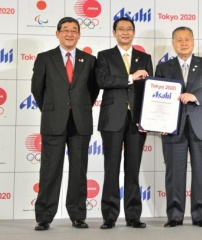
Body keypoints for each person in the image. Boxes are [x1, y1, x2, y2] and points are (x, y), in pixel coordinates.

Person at [31, 17, 99, 231]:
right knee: (50, 170)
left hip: (80, 122)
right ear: (57, 33)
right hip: (54, 121)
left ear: (79, 34)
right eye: (66, 30)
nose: (70, 34)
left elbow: (93, 90)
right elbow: (37, 89)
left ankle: (78, 215)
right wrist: (53, 109)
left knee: (79, 171)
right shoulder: (45, 58)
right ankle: (44, 217)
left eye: (74, 30)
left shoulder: (89, 60)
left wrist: (78, 106)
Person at [155, 26, 202, 228]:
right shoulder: (164, 67)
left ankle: (200, 215)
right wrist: (159, 122)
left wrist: (195, 96)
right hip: (173, 127)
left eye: (187, 39)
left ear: (193, 41)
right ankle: (175, 216)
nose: (183, 43)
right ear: (173, 43)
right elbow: (157, 97)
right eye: (179, 39)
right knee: (174, 173)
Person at [96, 17, 153, 229]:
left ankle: (133, 215)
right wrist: (130, 77)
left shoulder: (144, 57)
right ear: (114, 33)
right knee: (111, 168)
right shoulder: (104, 56)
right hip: (112, 118)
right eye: (121, 29)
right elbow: (102, 81)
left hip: (137, 120)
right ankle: (109, 216)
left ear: (134, 32)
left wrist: (151, 118)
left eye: (129, 29)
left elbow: (150, 90)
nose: (125, 32)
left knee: (133, 169)